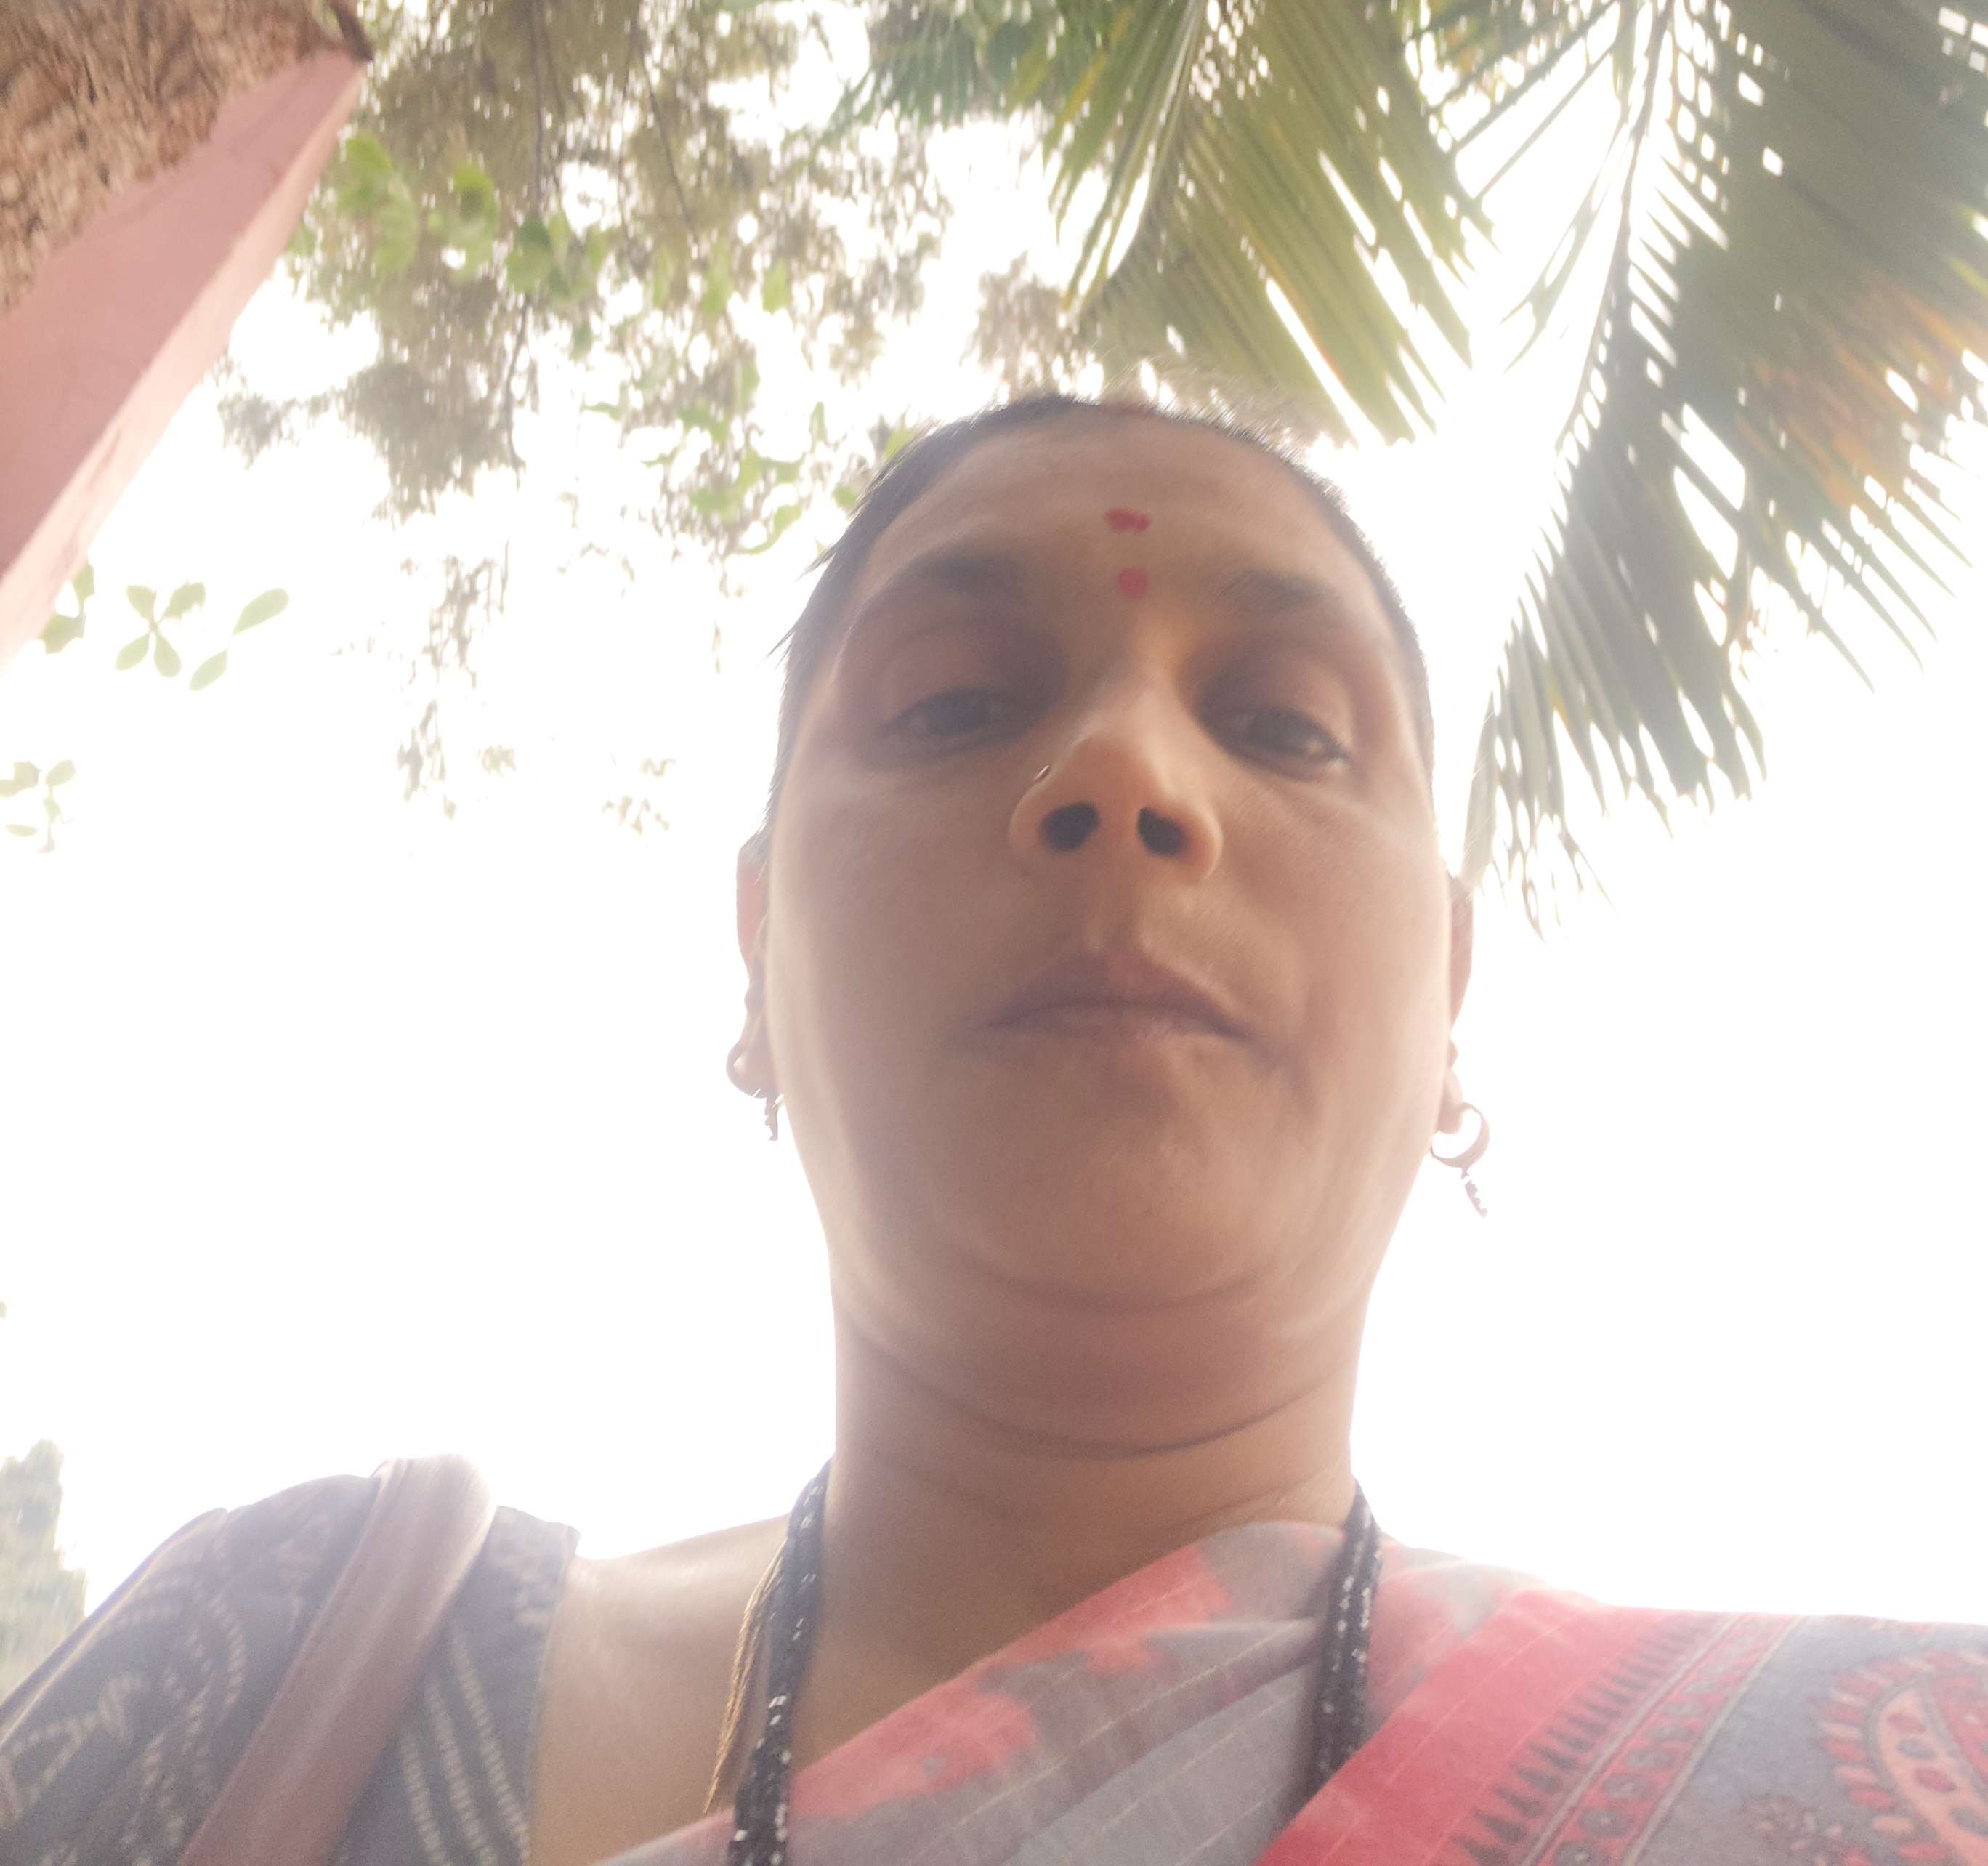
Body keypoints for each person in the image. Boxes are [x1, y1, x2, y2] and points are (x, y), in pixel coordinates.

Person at [4, 391, 1984, 1866]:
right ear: (758, 955)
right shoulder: (279, 1672)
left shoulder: (1858, 1782)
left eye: (1287, 725)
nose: (1123, 770)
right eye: (955, 703)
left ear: (1448, 998)